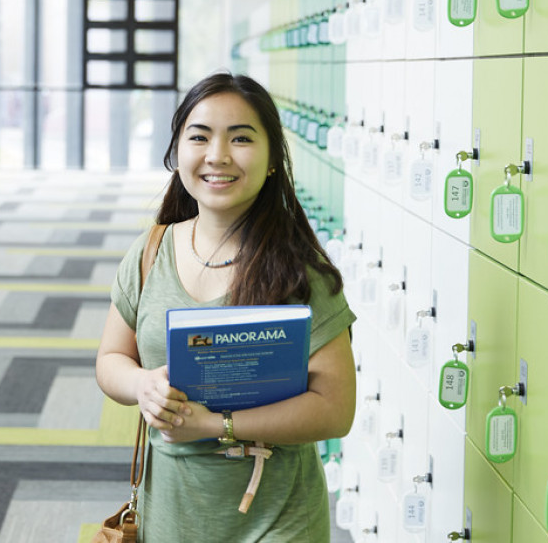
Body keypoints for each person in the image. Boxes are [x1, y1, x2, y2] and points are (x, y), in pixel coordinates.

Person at [96, 72, 356, 542]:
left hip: (277, 518)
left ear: (274, 158)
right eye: (200, 137)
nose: (217, 155)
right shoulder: (151, 250)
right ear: (178, 153)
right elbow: (110, 360)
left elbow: (335, 409)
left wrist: (215, 425)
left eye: (241, 138)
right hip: (172, 512)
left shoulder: (300, 271)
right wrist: (142, 384)